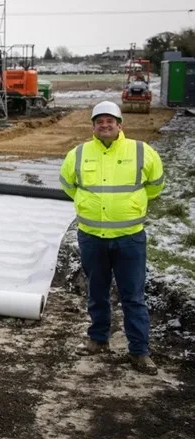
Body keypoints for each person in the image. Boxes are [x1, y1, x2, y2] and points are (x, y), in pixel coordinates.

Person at [60, 101, 164, 376]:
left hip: (129, 238)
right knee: (97, 291)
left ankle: (139, 351)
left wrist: (128, 207)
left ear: (120, 124)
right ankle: (98, 338)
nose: (104, 125)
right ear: (93, 126)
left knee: (133, 296)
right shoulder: (79, 154)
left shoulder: (142, 151)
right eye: (99, 121)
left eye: (110, 121)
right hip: (92, 237)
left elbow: (155, 185)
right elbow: (68, 184)